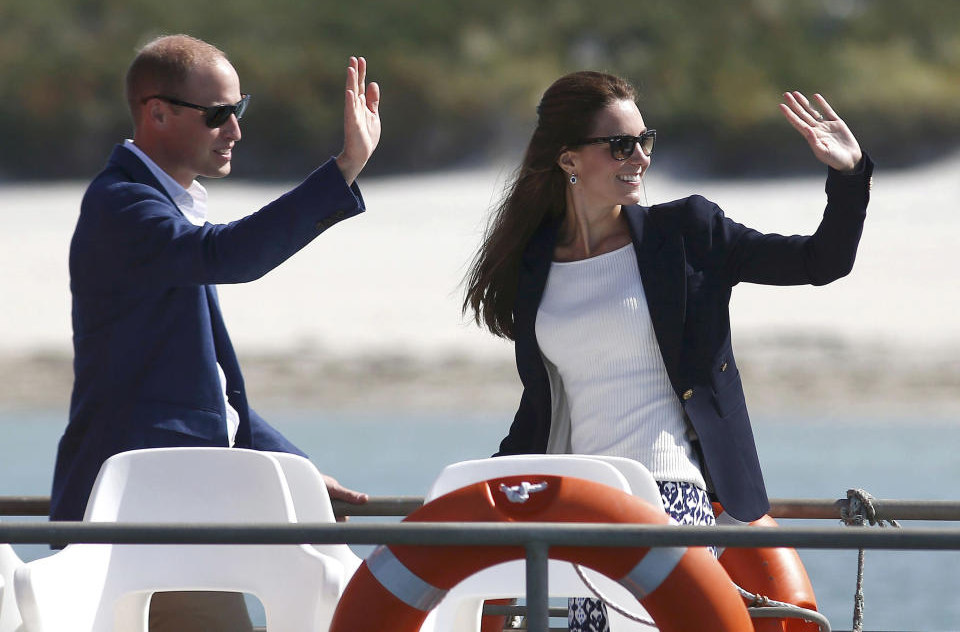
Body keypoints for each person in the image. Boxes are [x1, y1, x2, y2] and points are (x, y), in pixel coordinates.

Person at [463, 71, 872, 632]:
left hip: (672, 494)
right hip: (585, 510)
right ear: (569, 160)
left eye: (644, 140)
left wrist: (848, 176)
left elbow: (820, 262)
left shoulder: (686, 234)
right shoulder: (535, 266)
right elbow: (545, 405)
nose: (639, 158)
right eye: (619, 145)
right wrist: (476, 491)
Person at [51, 34, 381, 631]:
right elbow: (231, 256)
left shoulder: (161, 207)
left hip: (176, 517)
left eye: (239, 109)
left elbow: (207, 392)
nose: (234, 130)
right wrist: (344, 169)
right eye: (217, 115)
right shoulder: (123, 207)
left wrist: (294, 469)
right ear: (156, 113)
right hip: (143, 522)